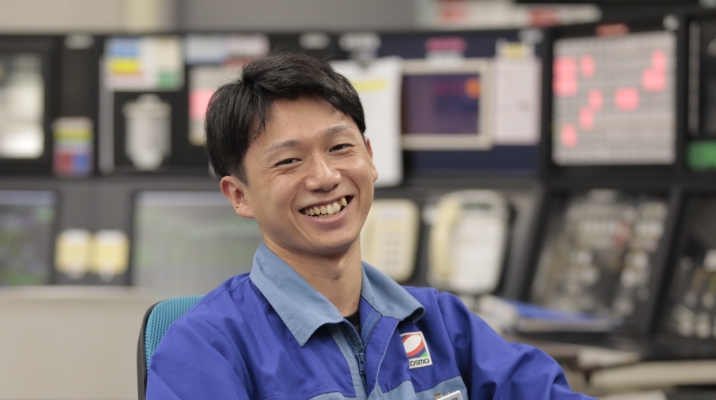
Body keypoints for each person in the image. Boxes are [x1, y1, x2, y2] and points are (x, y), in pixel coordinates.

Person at [146, 53, 593, 400]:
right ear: (239, 195)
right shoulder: (207, 346)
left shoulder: (441, 322)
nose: (324, 177)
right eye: (289, 161)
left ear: (370, 157)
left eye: (340, 148)